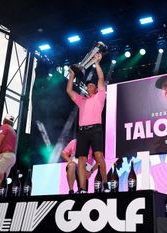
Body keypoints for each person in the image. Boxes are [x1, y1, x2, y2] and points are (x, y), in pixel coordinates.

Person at [66, 52, 109, 193]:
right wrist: (72, 74)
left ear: (96, 88)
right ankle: (82, 188)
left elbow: (101, 78)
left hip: (95, 129)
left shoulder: (100, 97)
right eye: (88, 85)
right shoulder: (81, 100)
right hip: (83, 131)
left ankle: (105, 184)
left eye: (92, 85)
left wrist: (96, 63)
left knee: (98, 156)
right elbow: (69, 90)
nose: (89, 86)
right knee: (82, 160)